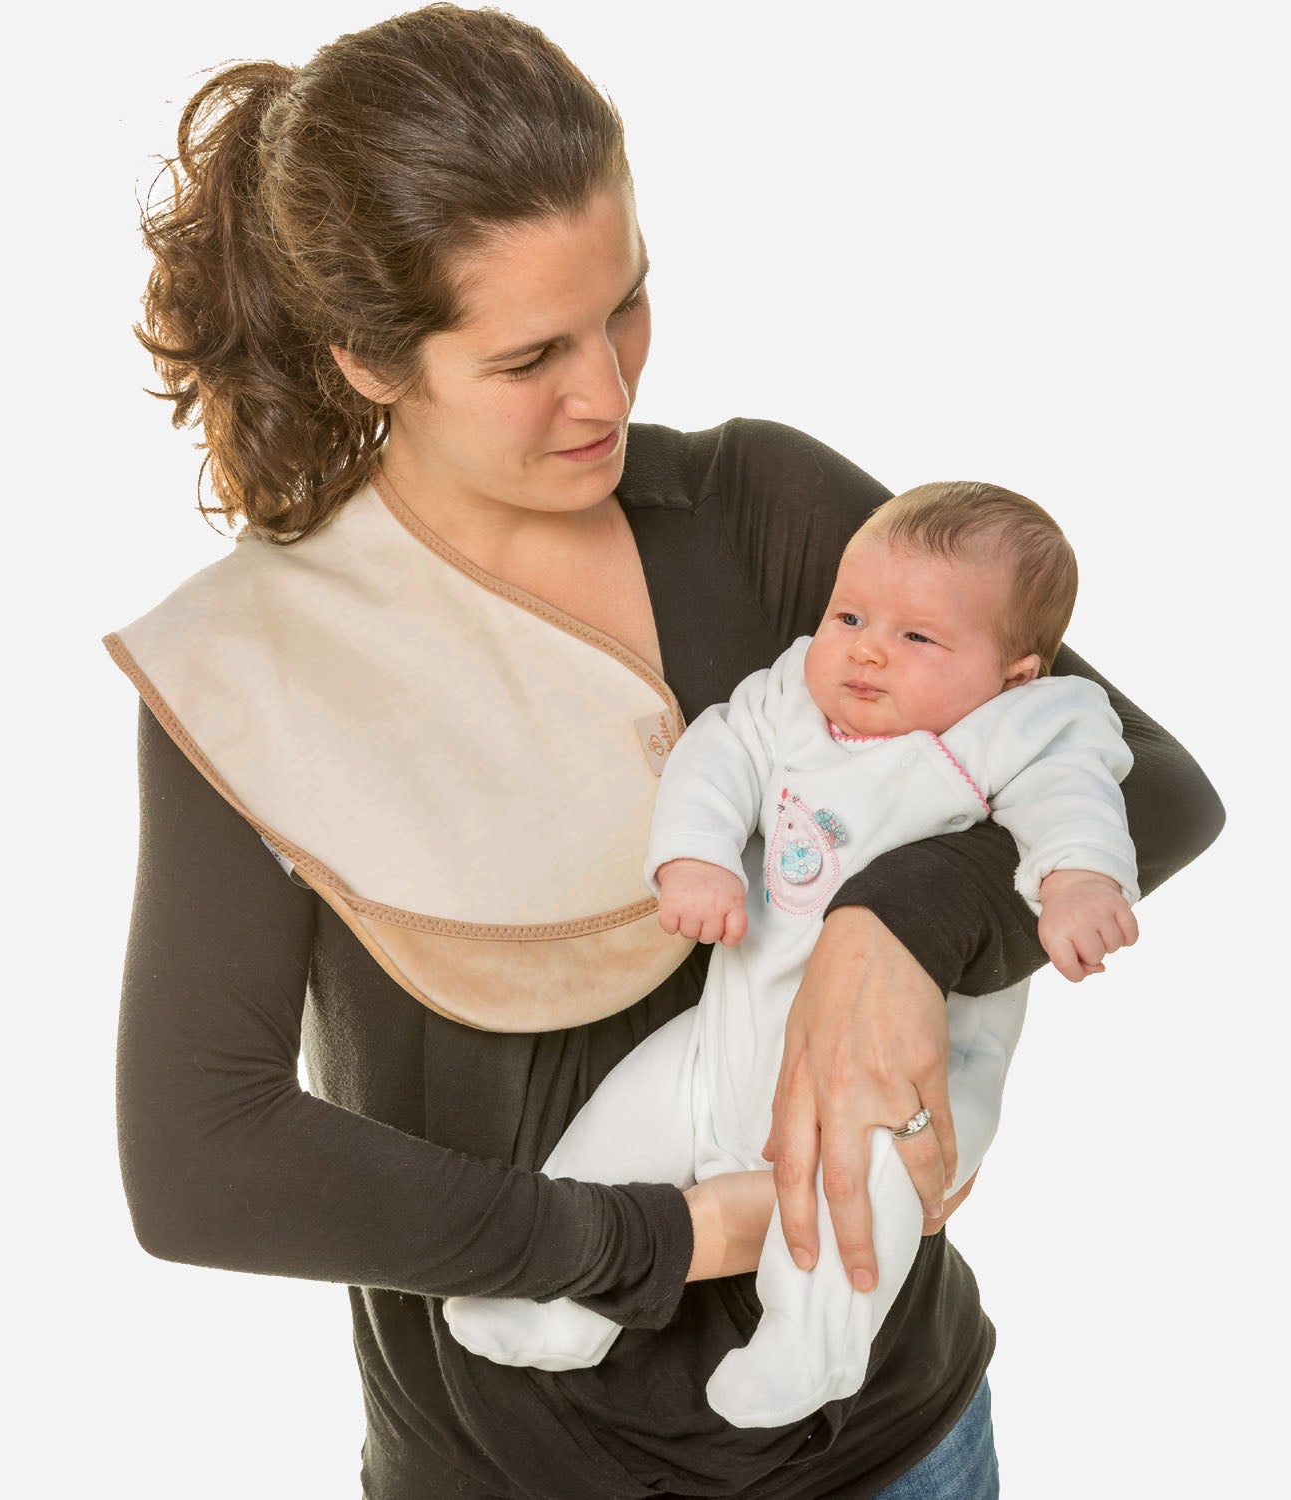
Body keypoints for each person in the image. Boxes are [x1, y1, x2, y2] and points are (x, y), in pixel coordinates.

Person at [108, 8, 1223, 1497]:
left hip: (898, 1448)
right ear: (374, 364)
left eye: (627, 306)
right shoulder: (252, 669)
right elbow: (201, 1159)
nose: (610, 391)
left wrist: (897, 931)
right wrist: (683, 1233)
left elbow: (1153, 782)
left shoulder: (755, 505)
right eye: (530, 357)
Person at [444, 481, 1139, 1429]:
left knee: (866, 1194)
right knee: (622, 1124)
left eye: (916, 638)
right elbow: (716, 754)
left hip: (893, 1088)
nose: (863, 646)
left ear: (1014, 674)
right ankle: (560, 1302)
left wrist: (1080, 882)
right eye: (849, 614)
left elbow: (1078, 800)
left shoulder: (1021, 730)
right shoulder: (790, 700)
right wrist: (696, 855)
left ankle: (811, 1349)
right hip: (726, 1040)